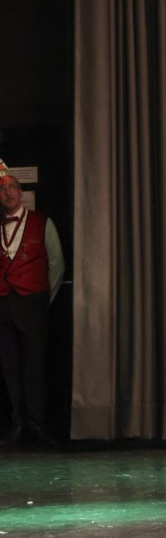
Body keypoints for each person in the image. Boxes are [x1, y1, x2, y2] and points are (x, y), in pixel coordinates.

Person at [0, 168, 65, 446]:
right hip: (4, 304)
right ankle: (18, 423)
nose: (8, 192)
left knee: (35, 366)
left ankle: (37, 423)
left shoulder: (42, 222)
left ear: (21, 192)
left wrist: (43, 300)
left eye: (12, 187)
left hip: (33, 303)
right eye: (2, 189)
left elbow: (57, 264)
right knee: (10, 367)